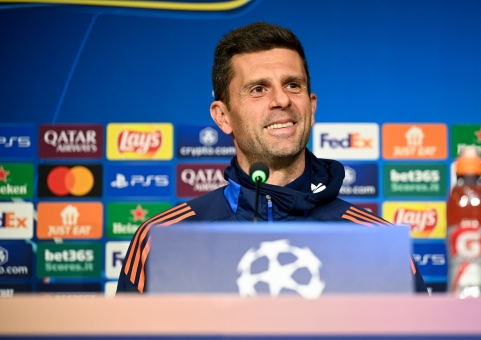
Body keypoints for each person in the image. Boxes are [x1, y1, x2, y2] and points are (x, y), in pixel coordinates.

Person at [117, 22, 426, 293]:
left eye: (293, 85)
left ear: (312, 106)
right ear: (223, 117)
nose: (281, 100)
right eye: (258, 89)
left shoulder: (377, 244)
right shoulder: (162, 241)